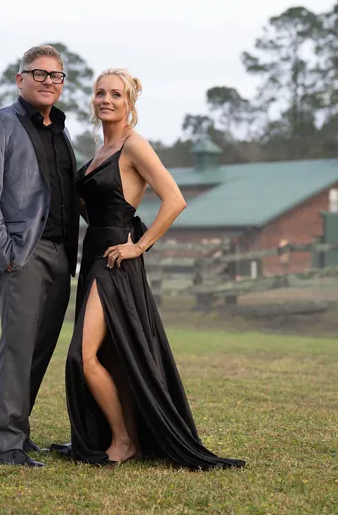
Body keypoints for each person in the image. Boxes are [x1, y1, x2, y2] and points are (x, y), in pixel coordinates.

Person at [51, 68, 246, 470]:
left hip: (116, 262)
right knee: (113, 354)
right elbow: (93, 208)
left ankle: (123, 441)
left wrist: (139, 245)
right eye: (100, 93)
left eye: (116, 95)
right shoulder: (100, 153)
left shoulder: (135, 146)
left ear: (129, 104)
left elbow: (174, 200)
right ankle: (126, 437)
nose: (106, 100)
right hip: (93, 258)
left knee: (83, 356)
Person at [0, 45, 80, 467]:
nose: (49, 81)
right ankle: (5, 445)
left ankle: (18, 429)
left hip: (61, 255)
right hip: (22, 255)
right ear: (20, 79)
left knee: (39, 348)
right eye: (39, 73)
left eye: (57, 76)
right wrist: (7, 254)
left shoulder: (62, 131)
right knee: (17, 348)